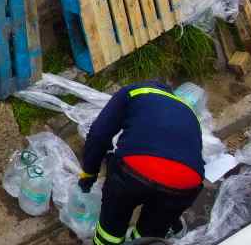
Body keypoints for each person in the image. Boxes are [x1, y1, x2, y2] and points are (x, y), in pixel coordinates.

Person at [78, 80, 206, 245]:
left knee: (110, 232)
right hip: (186, 184)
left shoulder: (134, 91)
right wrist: (170, 215)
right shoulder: (192, 116)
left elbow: (98, 135)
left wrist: (89, 174)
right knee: (147, 237)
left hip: (132, 171)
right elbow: (186, 159)